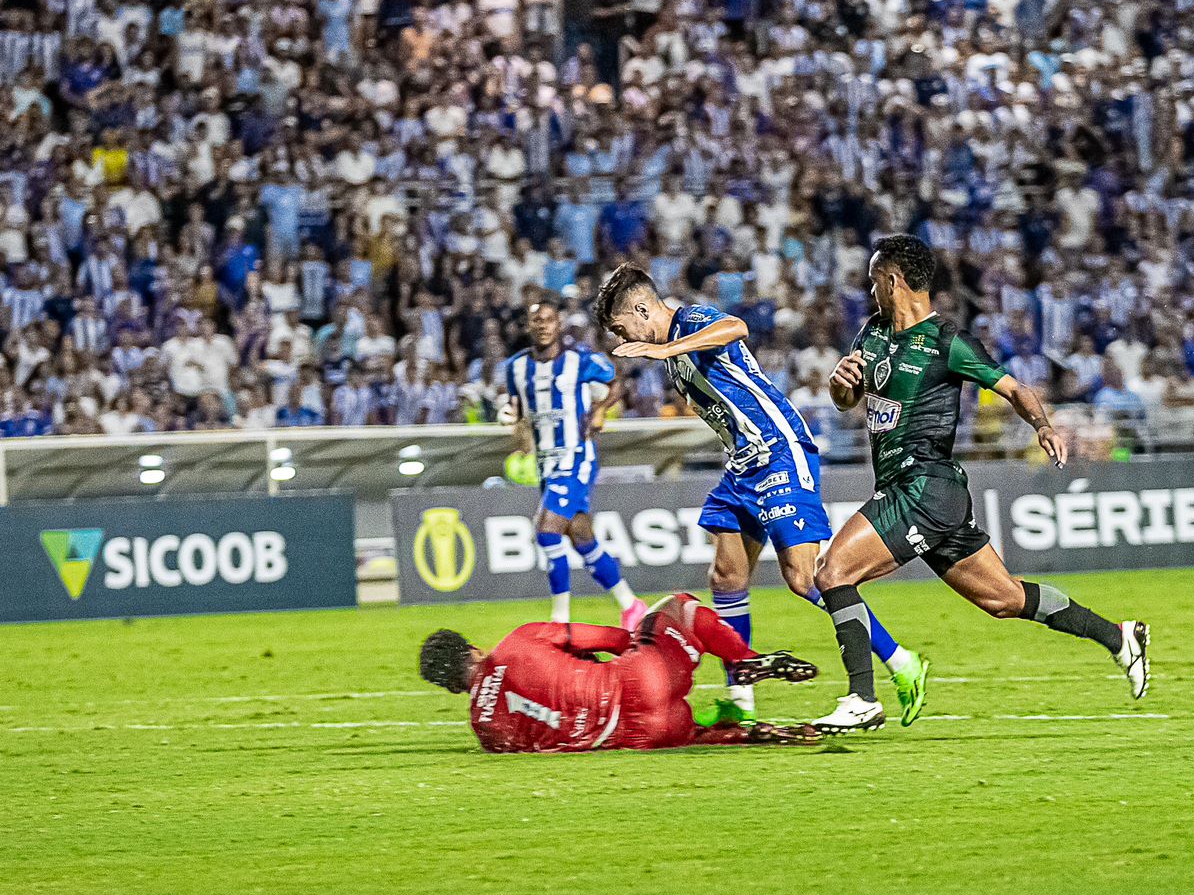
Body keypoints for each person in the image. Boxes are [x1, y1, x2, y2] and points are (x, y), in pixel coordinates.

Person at [812, 235, 1150, 732]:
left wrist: (1043, 426)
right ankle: (1119, 637)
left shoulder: (948, 341)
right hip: (927, 494)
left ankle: (862, 696)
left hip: (921, 486)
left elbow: (1013, 388)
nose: (871, 290)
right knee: (1005, 600)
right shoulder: (874, 333)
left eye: (873, 281)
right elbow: (849, 400)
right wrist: (841, 385)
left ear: (893, 280)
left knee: (831, 572)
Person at [595, 265, 929, 731]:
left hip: (778, 453)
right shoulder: (672, 357)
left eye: (619, 327)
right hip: (743, 466)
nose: (620, 339)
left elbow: (737, 327)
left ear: (641, 309)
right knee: (726, 573)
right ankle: (740, 699)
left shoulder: (690, 322)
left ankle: (901, 661)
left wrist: (667, 346)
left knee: (803, 576)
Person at [419, 594, 821, 753]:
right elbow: (611, 638)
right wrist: (641, 647)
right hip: (642, 680)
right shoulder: (519, 640)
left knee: (691, 733)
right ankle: (744, 659)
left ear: (452, 688)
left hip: (634, 737)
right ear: (472, 649)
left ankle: (752, 734)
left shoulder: (485, 729)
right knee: (676, 606)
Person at [503, 294, 648, 629]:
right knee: (583, 539)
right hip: (545, 464)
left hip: (576, 458)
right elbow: (518, 411)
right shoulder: (516, 368)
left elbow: (615, 381)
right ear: (528, 326)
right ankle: (630, 604)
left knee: (547, 532)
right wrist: (510, 417)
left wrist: (599, 409)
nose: (543, 327)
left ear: (559, 325)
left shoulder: (580, 361)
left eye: (549, 320)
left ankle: (560, 621)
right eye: (536, 321)